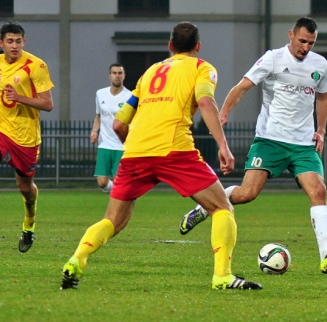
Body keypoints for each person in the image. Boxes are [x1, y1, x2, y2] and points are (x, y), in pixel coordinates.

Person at [60, 21, 262, 290]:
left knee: (112, 220)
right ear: (198, 47)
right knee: (221, 207)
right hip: (174, 149)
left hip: (134, 152)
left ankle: (77, 259)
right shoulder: (202, 68)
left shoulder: (150, 72)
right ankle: (222, 276)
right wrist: (223, 146)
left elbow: (119, 124)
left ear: (170, 46)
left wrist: (135, 148)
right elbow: (205, 101)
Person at [179, 17, 327, 274]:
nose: (306, 47)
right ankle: (204, 207)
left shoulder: (320, 64)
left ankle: (326, 255)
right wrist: (224, 113)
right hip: (269, 140)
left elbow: (324, 98)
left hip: (303, 144)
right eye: (303, 41)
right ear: (291, 35)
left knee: (318, 191)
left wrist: (321, 130)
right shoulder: (273, 58)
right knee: (247, 194)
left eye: (311, 43)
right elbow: (241, 88)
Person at [0, 21, 54, 252]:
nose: (14, 45)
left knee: (25, 188)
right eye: (10, 41)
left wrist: (20, 97)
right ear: (1, 43)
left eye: (18, 41)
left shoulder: (36, 66)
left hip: (25, 134)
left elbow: (48, 104)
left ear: (23, 42)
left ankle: (29, 224)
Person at [90, 64, 132, 193]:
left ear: (124, 76)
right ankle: (124, 193)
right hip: (104, 144)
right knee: (102, 182)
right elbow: (98, 116)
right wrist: (94, 131)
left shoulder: (129, 96)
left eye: (120, 73)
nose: (117, 76)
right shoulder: (100, 94)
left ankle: (120, 201)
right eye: (114, 73)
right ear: (109, 76)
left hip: (121, 145)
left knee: (118, 179)